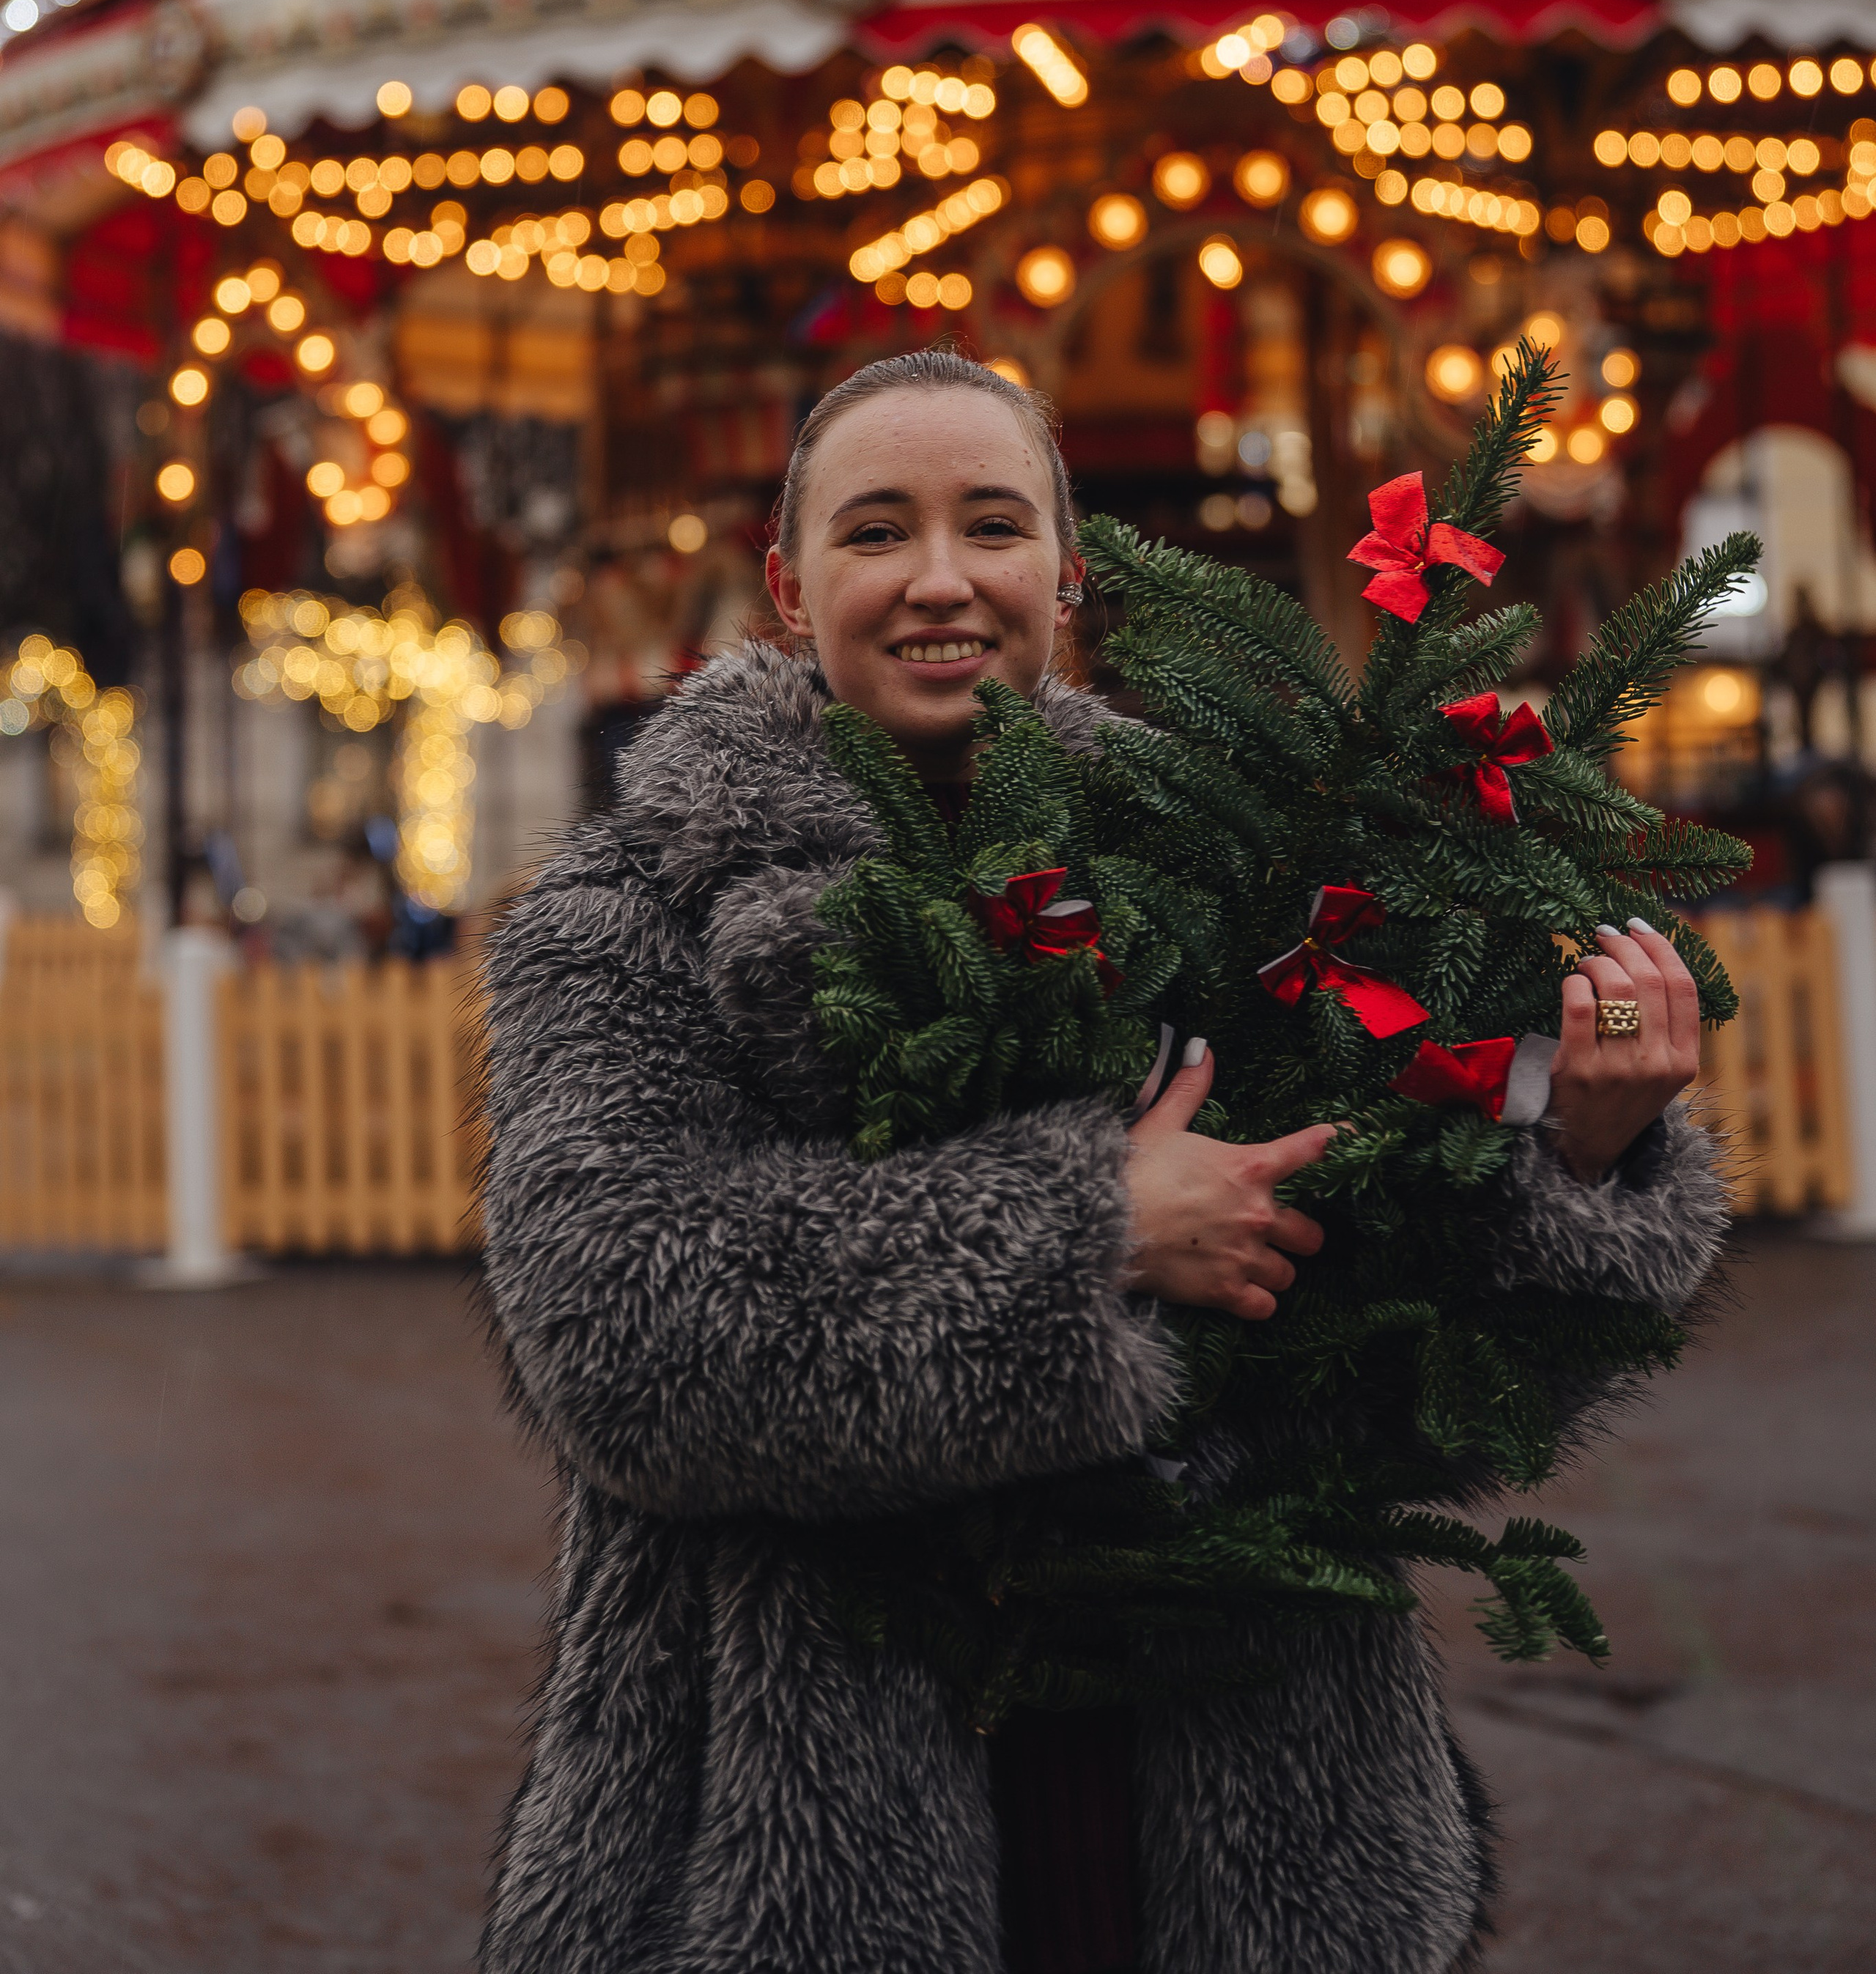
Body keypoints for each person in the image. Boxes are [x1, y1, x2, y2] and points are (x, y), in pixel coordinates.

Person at [477, 350, 1728, 1974]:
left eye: (991, 526)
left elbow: (1403, 1403)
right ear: (790, 587)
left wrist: (1582, 1157)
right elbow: (620, 1336)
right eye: (877, 532)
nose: (941, 579)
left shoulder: (1222, 886)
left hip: (1234, 1797)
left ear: (1067, 573)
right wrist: (1086, 1232)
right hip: (804, 1814)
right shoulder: (625, 915)